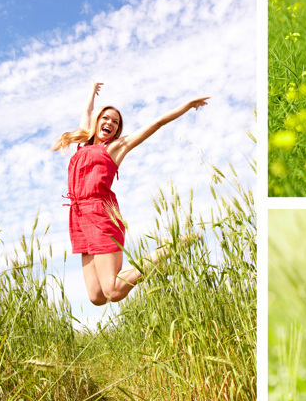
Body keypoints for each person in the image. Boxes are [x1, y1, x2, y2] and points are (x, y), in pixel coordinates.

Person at [51, 81, 209, 306]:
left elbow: (156, 123)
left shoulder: (115, 148)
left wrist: (185, 106)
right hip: (78, 218)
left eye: (115, 122)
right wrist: (92, 90)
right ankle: (155, 264)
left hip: (101, 214)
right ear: (97, 122)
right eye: (106, 118)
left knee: (113, 291)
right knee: (97, 297)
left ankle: (170, 247)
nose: (110, 123)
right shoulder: (83, 145)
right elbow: (86, 111)